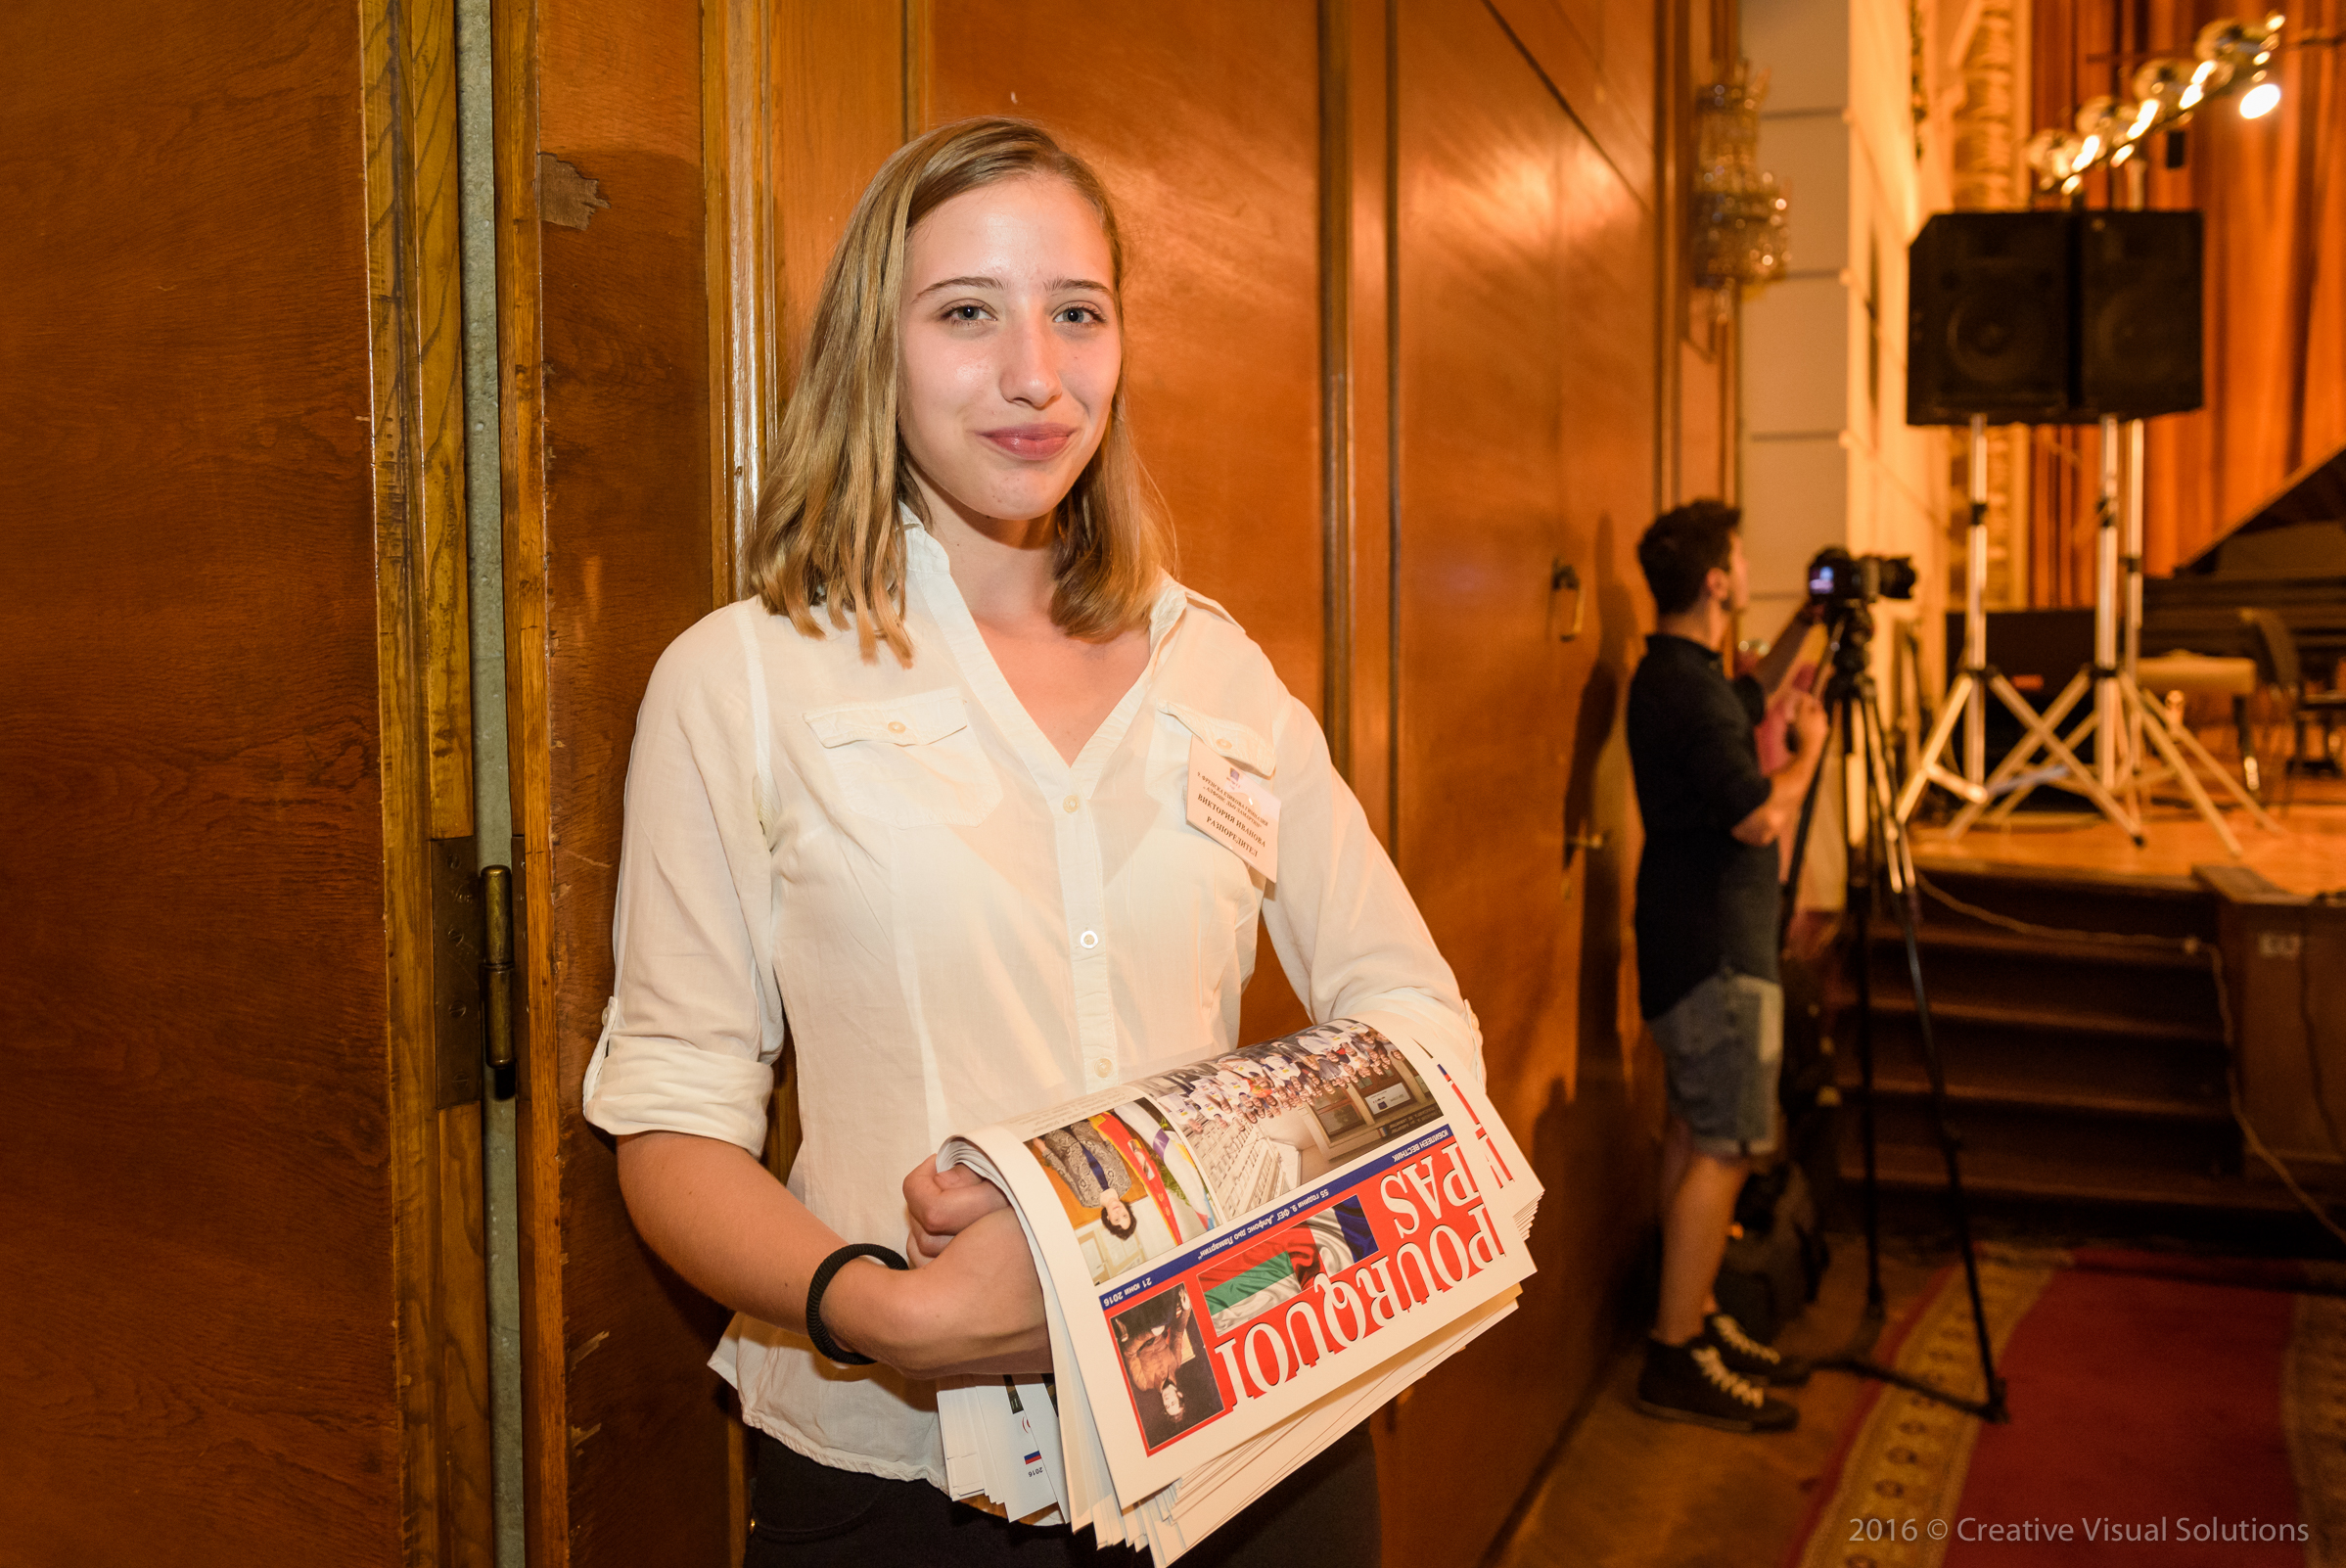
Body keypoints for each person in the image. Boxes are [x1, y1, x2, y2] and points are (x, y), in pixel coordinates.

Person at [579, 117, 1480, 1565]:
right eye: (965, 314)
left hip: (1256, 1440)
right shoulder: (743, 678)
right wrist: (886, 1309)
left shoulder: (1217, 670)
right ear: (876, 346)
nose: (1034, 375)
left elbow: (1414, 1021)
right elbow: (674, 1121)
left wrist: (1160, 1224)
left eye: (1076, 312)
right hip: (911, 1476)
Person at [1625, 499, 1827, 1434]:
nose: (1748, 571)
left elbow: (1753, 690)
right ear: (1717, 580)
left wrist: (1809, 623)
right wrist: (1809, 757)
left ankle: (1694, 1319)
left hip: (1685, 945)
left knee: (1692, 1133)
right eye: (1741, 559)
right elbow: (1756, 816)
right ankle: (1675, 1355)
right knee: (1729, 1148)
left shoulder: (1682, 674)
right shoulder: (1691, 691)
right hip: (1718, 955)